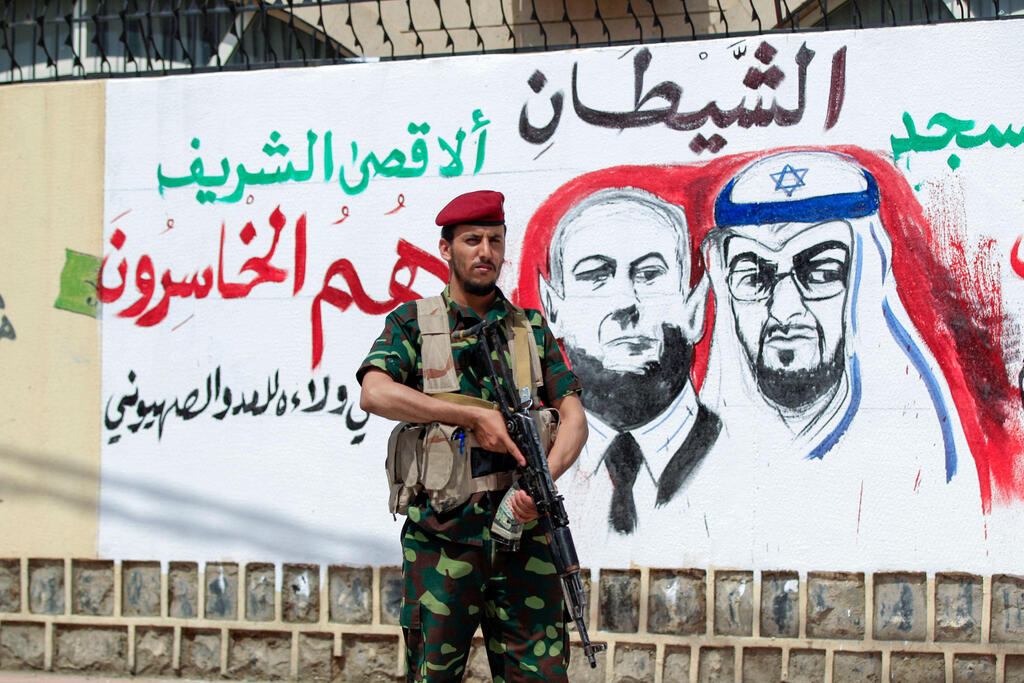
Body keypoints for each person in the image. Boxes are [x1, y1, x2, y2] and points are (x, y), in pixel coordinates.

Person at [698, 149, 985, 568]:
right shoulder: (703, 462)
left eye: (820, 273)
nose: (784, 310)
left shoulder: (911, 460)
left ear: (862, 283)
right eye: (755, 277)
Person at [357, 190, 588, 682]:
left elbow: (574, 419)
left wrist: (539, 484)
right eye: (471, 240)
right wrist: (467, 417)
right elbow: (374, 393)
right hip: (443, 544)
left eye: (495, 240)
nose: (485, 251)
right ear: (446, 249)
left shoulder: (530, 330)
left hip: (525, 541)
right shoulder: (413, 326)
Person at [536, 187, 719, 537]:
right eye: (594, 276)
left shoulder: (745, 457)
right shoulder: (530, 460)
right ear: (553, 310)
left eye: (650, 274)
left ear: (695, 308)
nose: (625, 301)